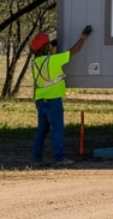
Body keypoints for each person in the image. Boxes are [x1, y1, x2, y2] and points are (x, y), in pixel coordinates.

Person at [29, 25, 92, 165]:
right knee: (57, 129)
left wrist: (53, 49)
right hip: (53, 101)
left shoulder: (36, 63)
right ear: (46, 47)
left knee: (42, 130)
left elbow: (49, 60)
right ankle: (59, 158)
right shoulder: (53, 60)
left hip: (40, 100)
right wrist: (83, 37)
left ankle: (36, 158)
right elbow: (74, 51)